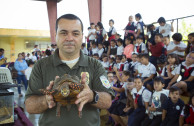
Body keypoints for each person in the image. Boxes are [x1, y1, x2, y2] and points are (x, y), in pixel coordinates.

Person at [25, 14, 114, 126]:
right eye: (64, 33)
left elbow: (107, 101)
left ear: (82, 36)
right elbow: (29, 106)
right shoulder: (41, 65)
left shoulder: (95, 65)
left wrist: (91, 96)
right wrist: (46, 100)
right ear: (55, 35)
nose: (69, 38)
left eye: (75, 33)